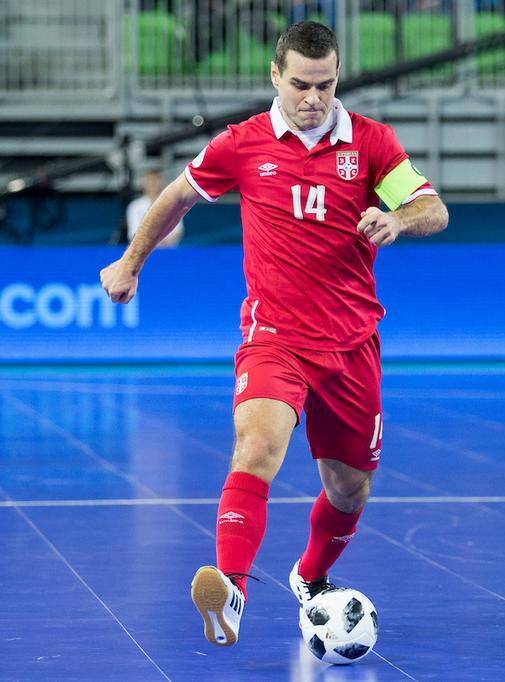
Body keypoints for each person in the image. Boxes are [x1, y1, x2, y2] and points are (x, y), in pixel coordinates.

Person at [100, 21, 448, 647]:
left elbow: (434, 208)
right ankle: (230, 589)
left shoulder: (370, 144)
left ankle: (310, 576)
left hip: (352, 342)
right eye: (301, 85)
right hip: (275, 335)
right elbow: (178, 196)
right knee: (256, 447)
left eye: (326, 84)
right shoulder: (243, 144)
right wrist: (131, 262)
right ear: (275, 76)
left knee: (349, 487)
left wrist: (397, 218)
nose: (314, 98)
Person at [126, 169, 184, 247]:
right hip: (143, 251)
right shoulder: (135, 206)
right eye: (149, 182)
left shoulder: (172, 204)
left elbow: (177, 231)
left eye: (155, 182)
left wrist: (161, 242)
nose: (152, 185)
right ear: (144, 184)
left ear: (161, 183)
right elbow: (133, 233)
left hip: (168, 251)